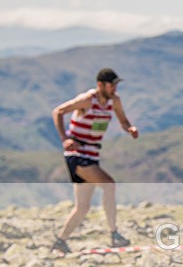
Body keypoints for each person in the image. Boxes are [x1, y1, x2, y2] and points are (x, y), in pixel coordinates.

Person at [51, 68, 139, 255]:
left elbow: (123, 120)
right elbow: (58, 111)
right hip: (78, 155)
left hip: (92, 155)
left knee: (82, 207)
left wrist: (130, 128)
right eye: (112, 85)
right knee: (109, 185)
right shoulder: (86, 100)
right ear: (101, 85)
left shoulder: (114, 101)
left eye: (116, 84)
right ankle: (114, 234)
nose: (115, 88)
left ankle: (60, 241)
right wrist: (64, 138)